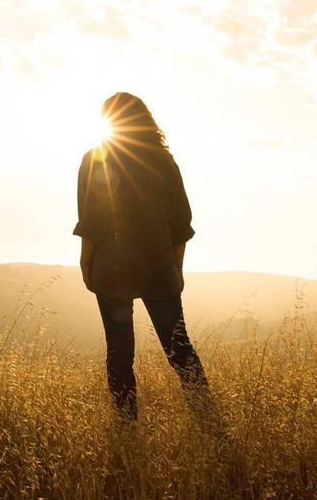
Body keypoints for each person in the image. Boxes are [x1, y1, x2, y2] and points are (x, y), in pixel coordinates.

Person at [73, 91, 213, 422]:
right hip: (158, 267)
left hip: (112, 268)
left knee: (120, 354)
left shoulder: (95, 158)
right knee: (180, 350)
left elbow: (91, 220)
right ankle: (208, 417)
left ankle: (127, 428)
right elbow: (181, 225)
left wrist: (85, 263)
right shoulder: (165, 164)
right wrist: (176, 268)